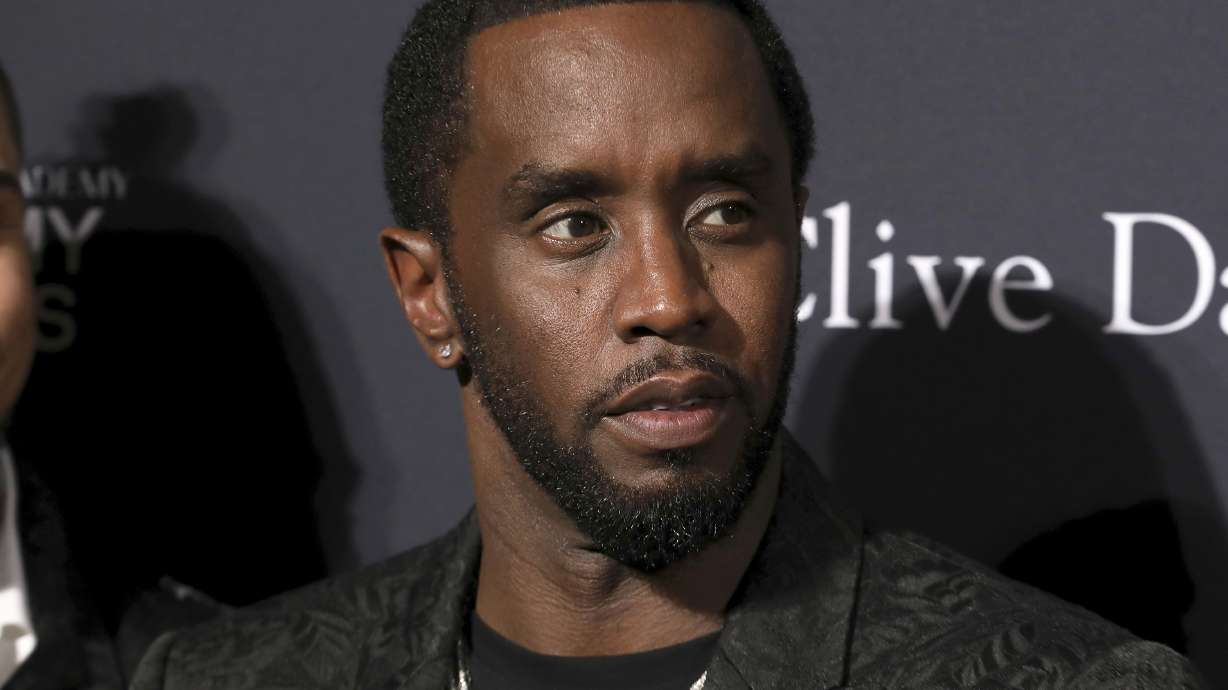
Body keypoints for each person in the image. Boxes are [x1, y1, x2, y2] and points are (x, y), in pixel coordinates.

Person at [133, 1, 1202, 688]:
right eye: (573, 226)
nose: (668, 297)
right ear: (429, 294)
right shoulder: (228, 679)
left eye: (726, 211)